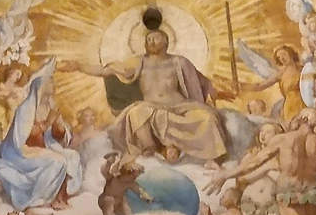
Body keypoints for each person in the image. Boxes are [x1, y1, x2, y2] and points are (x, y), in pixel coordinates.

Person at [67, 28, 228, 162]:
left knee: (206, 117)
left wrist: (217, 90)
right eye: (148, 39)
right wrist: (79, 66)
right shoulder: (139, 62)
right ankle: (149, 147)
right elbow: (105, 70)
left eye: (155, 39)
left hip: (180, 107)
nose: (151, 42)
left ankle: (214, 159)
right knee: (135, 112)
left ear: (166, 42)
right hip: (151, 107)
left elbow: (201, 81)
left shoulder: (179, 62)